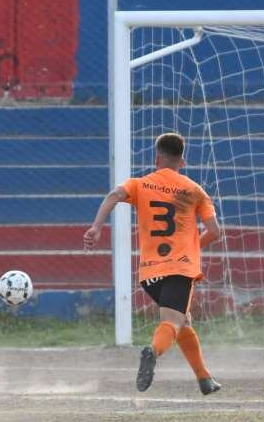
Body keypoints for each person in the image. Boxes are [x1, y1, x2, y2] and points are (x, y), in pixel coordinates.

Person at [83, 132, 222, 395]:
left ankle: (204, 378)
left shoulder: (140, 184)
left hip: (149, 273)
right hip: (179, 268)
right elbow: (215, 231)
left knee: (183, 321)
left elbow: (114, 194)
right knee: (172, 321)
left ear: (156, 158)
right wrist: (193, 247)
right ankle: (153, 352)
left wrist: (96, 227)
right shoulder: (195, 191)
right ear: (182, 161)